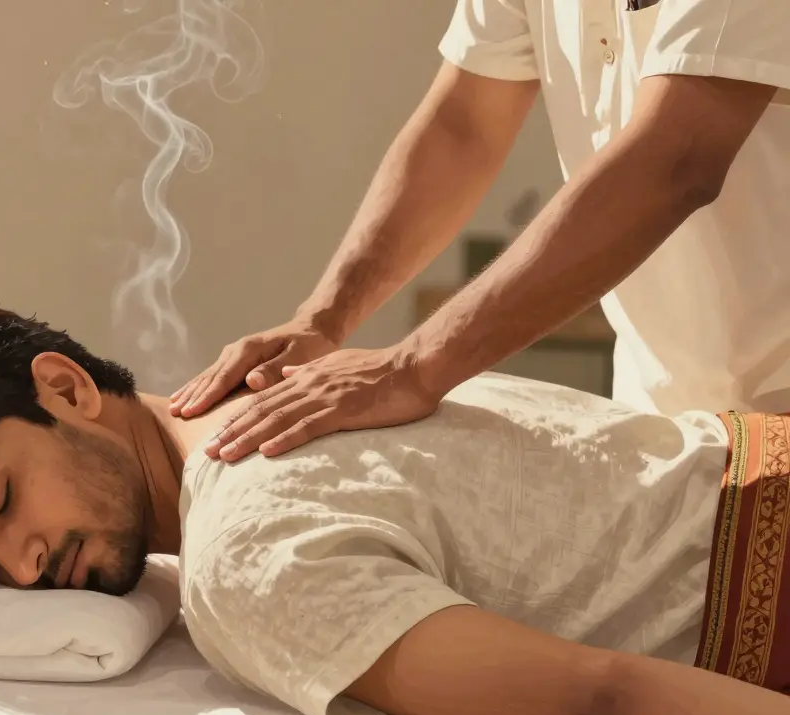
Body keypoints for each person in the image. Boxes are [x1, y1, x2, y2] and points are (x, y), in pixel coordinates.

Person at [0, 300, 790, 715]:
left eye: (0, 501)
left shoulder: (243, 560)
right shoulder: (303, 381)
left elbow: (598, 703)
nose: (26, 567)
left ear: (67, 388)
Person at [169, 0, 790, 465]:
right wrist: (322, 321)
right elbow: (464, 127)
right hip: (674, 421)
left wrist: (412, 369)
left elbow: (677, 158)